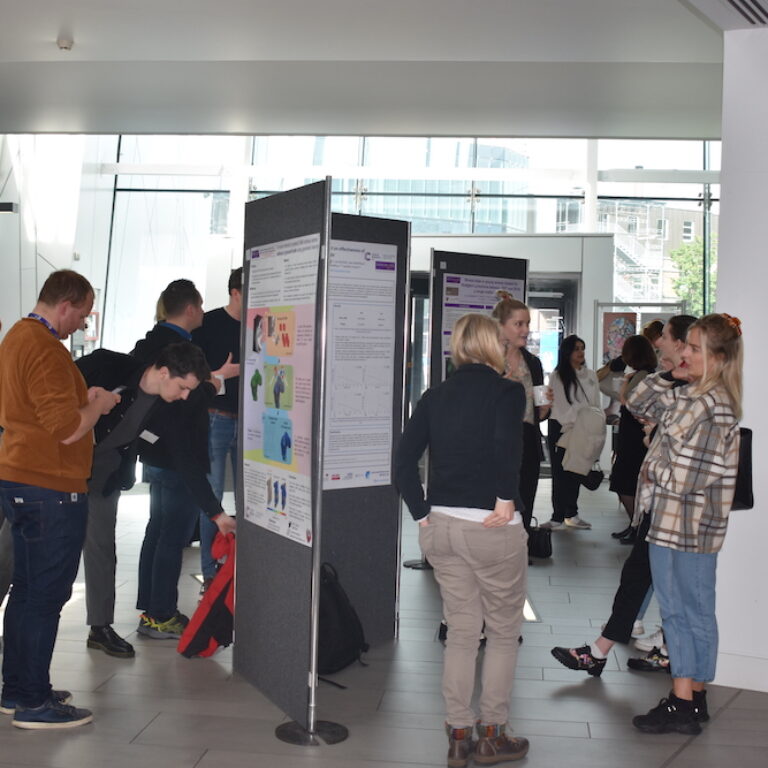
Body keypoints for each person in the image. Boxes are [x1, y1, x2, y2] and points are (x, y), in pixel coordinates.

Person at [395, 313, 529, 768]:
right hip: (492, 529)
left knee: (461, 632)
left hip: (443, 529)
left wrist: (421, 514)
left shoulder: (434, 396)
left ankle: (457, 735)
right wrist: (506, 497)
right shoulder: (507, 392)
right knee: (504, 632)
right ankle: (491, 734)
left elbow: (401, 464)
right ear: (495, 346)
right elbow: (506, 443)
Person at [0, 270, 120, 729]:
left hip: (20, 476)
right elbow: (67, 428)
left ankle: (18, 689)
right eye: (83, 315)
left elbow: (31, 409)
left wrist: (81, 399)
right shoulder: (46, 348)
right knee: (45, 596)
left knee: (27, 591)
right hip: (50, 486)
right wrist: (99, 405)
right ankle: (33, 703)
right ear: (65, 304)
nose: (82, 326)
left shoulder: (16, 336)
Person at [550, 315, 697, 680]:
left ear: (684, 346)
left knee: (676, 588)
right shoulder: (667, 381)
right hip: (658, 501)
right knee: (639, 577)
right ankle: (604, 651)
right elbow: (637, 404)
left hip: (676, 505)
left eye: (663, 338)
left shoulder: (699, 392)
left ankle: (685, 679)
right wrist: (664, 374)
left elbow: (645, 412)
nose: (657, 343)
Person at [629, 313, 742, 735]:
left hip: (688, 525)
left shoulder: (713, 406)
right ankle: (690, 696)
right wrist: (667, 371)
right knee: (682, 611)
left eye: (694, 349)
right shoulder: (690, 394)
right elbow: (636, 402)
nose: (684, 353)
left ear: (718, 357)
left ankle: (685, 700)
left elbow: (686, 480)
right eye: (685, 346)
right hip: (672, 522)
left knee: (687, 612)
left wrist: (652, 464)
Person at [77, 342, 213, 658]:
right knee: (14, 546)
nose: (184, 396)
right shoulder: (106, 364)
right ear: (163, 372)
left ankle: (100, 627)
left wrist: (215, 512)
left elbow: (184, 457)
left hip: (105, 471)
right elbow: (54, 391)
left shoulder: (167, 405)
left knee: (101, 548)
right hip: (59, 458)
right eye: (182, 387)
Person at [131, 279, 236, 640]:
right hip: (175, 460)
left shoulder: (149, 342)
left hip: (156, 456)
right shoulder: (176, 351)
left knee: (157, 533)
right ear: (190, 308)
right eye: (201, 305)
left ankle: (151, 609)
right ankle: (160, 613)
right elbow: (185, 405)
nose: (204, 312)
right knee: (171, 538)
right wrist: (216, 382)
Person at [191, 267, 242, 592]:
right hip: (215, 417)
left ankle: (239, 563)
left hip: (251, 422)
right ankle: (210, 571)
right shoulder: (208, 324)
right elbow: (194, 374)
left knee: (249, 497)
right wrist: (222, 374)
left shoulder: (260, 324)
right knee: (212, 495)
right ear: (235, 291)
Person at [491, 291, 549, 534]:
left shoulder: (533, 363)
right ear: (501, 327)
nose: (525, 330)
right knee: (492, 505)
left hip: (527, 443)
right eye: (518, 324)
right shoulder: (487, 360)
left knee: (524, 503)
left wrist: (546, 407)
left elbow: (541, 411)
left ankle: (519, 550)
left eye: (527, 324)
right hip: (493, 443)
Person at [542, 334, 601, 530]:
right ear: (567, 352)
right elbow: (558, 405)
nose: (580, 353)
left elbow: (594, 403)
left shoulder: (591, 375)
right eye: (576, 348)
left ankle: (571, 513)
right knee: (560, 472)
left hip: (583, 428)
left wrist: (592, 422)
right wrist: (576, 419)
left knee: (577, 468)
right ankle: (557, 516)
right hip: (561, 427)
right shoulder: (558, 375)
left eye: (582, 348)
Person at [608, 335, 658, 544]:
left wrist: (623, 387)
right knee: (625, 483)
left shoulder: (643, 375)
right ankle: (634, 526)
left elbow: (628, 402)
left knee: (625, 483)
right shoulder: (643, 374)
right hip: (632, 436)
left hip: (635, 439)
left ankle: (637, 528)